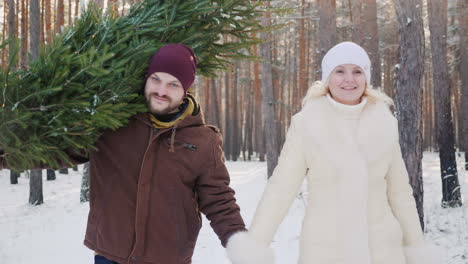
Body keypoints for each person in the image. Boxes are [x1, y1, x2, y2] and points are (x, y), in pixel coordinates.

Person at [0, 44, 246, 264]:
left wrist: (238, 242)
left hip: (168, 258)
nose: (161, 90)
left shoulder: (203, 140)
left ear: (186, 90)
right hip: (110, 253)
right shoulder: (114, 122)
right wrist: (6, 155)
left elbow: (219, 200)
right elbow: (60, 150)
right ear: (146, 79)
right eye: (156, 79)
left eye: (173, 84)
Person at [225, 42, 444, 264]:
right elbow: (281, 188)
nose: (349, 79)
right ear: (328, 76)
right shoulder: (307, 123)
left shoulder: (385, 123)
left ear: (366, 77)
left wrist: (416, 245)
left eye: (357, 71)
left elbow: (400, 193)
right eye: (340, 71)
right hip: (325, 251)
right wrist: (256, 243)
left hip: (382, 250)